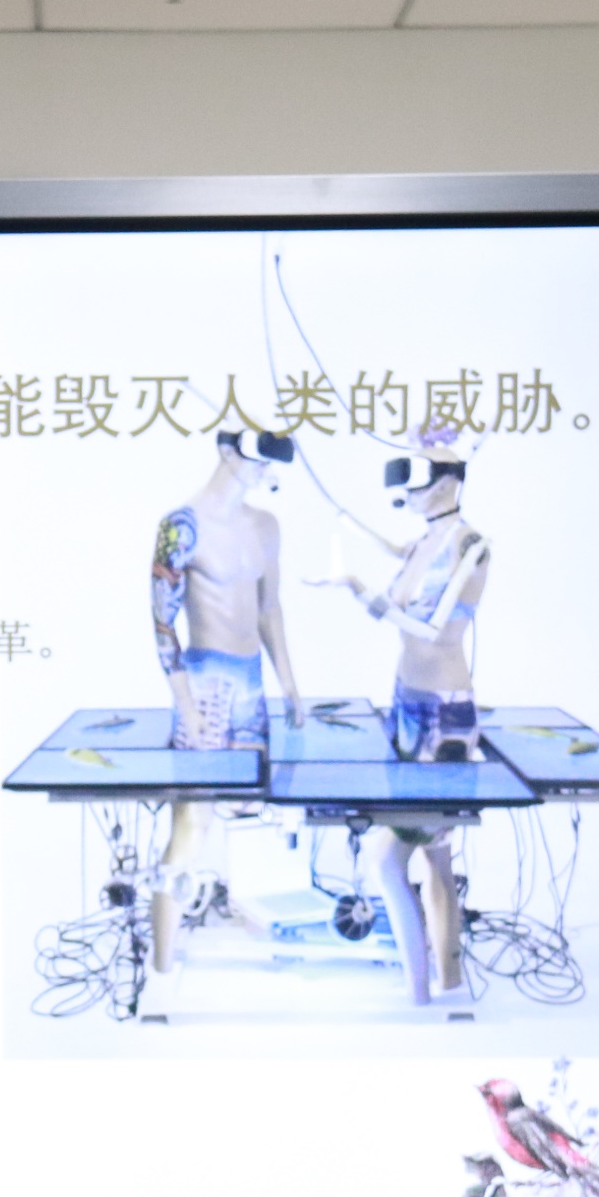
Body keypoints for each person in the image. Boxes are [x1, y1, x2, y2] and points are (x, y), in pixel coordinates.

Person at [315, 437, 491, 1005]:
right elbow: (395, 549)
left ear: (450, 479)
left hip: (444, 716)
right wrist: (346, 521)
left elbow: (431, 629)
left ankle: (421, 996)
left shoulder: (470, 546)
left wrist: (355, 588)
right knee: (436, 855)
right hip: (407, 705)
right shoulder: (422, 541)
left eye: (415, 474)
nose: (405, 488)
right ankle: (448, 985)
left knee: (389, 858)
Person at [148, 429, 306, 976]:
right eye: (258, 455)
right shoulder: (181, 526)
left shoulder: (266, 526)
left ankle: (257, 936)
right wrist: (185, 704)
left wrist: (289, 685)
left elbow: (269, 609)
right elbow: (162, 621)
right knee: (191, 829)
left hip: (251, 686)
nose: (265, 468)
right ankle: (161, 969)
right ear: (226, 450)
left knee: (253, 815)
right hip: (206, 681)